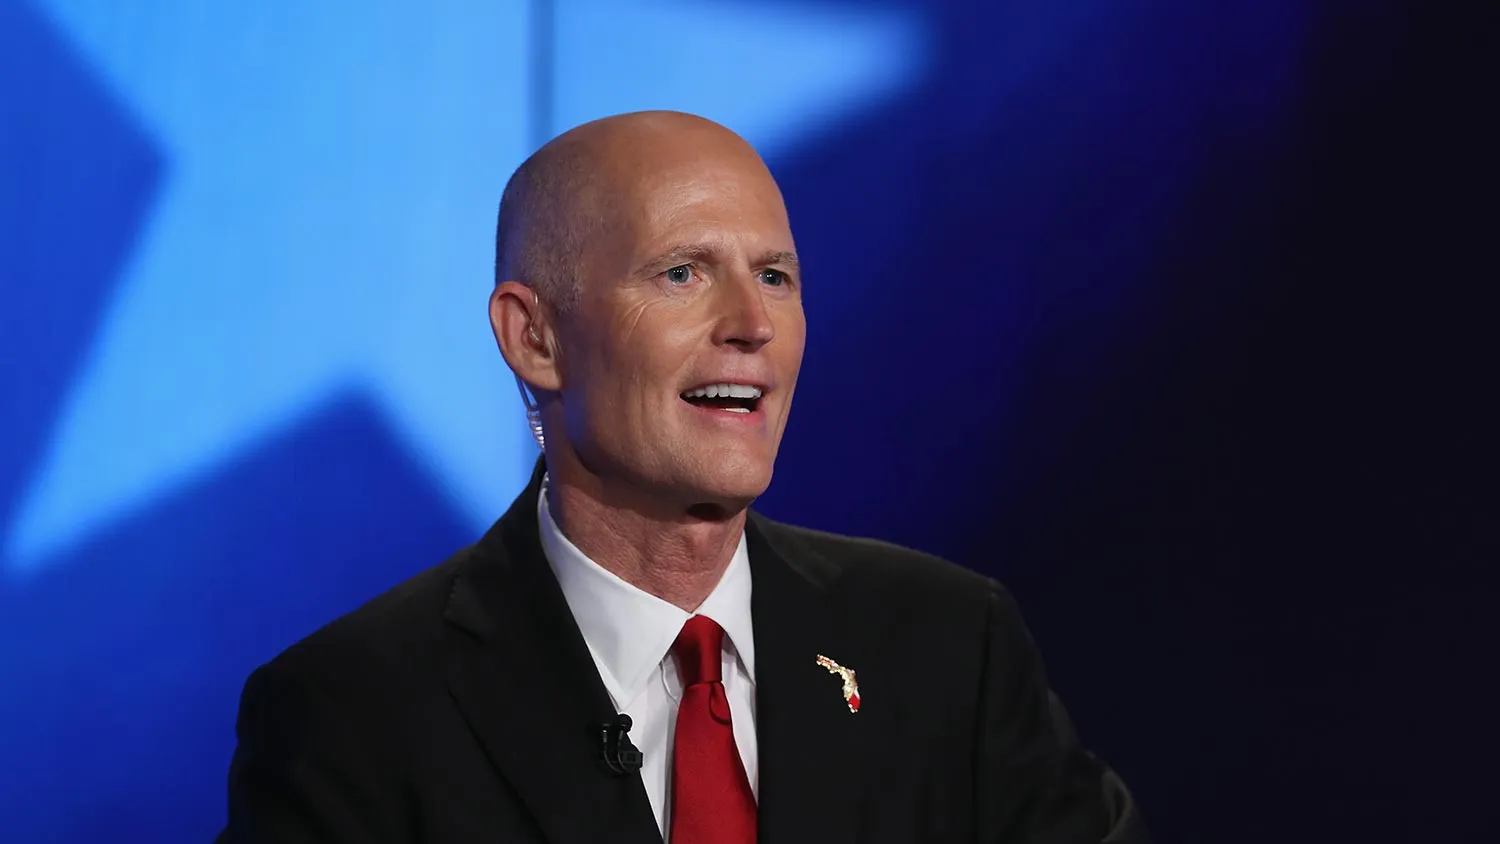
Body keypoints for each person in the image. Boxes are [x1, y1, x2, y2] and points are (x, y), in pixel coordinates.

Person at [218, 111, 1149, 843]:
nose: (752, 323)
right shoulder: (352, 716)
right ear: (534, 337)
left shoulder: (949, 648)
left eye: (776, 276)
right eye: (681, 273)